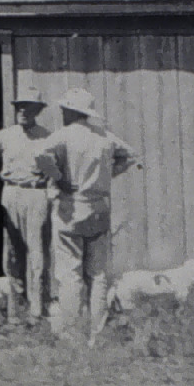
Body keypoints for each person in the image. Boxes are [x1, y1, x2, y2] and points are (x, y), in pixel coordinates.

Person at [39, 86, 137, 341]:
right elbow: (129, 156)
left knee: (69, 271)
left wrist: (58, 179)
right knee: (98, 273)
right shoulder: (104, 136)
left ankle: (71, 333)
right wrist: (107, 174)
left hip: (71, 206)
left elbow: (40, 156)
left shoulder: (64, 135)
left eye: (64, 109)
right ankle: (98, 333)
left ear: (71, 111)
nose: (61, 112)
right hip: (99, 206)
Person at [0, 84, 54, 322]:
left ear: (38, 110)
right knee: (12, 254)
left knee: (37, 253)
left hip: (36, 194)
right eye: (20, 106)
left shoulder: (48, 138)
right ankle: (16, 312)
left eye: (29, 107)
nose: (23, 111)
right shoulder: (5, 135)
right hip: (11, 193)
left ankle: (38, 311)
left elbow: (59, 170)